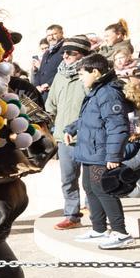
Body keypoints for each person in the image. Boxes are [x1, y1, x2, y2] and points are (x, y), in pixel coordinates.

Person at [65, 54, 133, 249]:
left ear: (95, 72)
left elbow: (117, 126)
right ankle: (99, 228)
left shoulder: (109, 93)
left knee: (104, 190)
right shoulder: (97, 91)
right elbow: (90, 118)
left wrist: (114, 155)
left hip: (102, 152)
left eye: (82, 74)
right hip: (90, 150)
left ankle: (121, 233)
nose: (80, 78)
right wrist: (72, 128)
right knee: (90, 187)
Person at [46, 36, 94, 230]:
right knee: (68, 179)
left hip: (88, 135)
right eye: (63, 52)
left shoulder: (91, 74)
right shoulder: (59, 75)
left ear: (82, 55)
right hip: (63, 137)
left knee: (90, 179)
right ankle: (72, 215)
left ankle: (95, 211)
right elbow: (51, 104)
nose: (65, 56)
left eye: (70, 53)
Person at [32, 24, 65, 95]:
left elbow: (64, 70)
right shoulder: (46, 53)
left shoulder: (65, 49)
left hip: (57, 91)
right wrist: (37, 85)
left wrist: (48, 83)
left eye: (54, 34)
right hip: (43, 92)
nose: (51, 37)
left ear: (61, 33)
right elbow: (40, 71)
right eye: (48, 35)